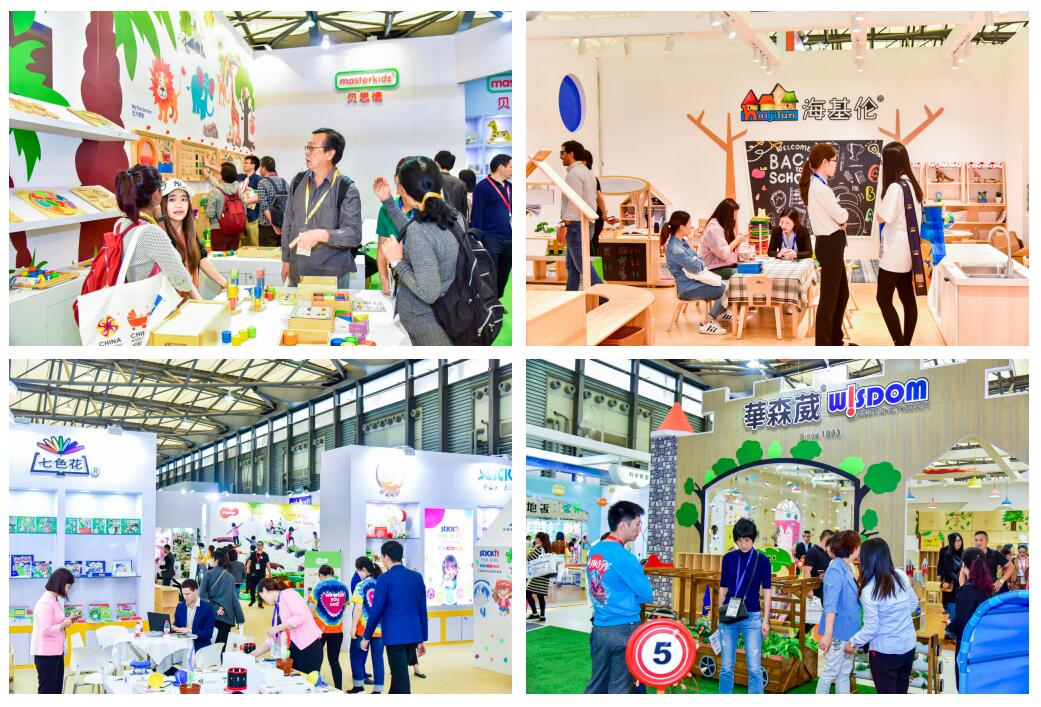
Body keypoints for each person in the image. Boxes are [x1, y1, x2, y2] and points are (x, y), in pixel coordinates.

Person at [373, 156, 462, 345]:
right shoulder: (452, 216)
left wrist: (397, 261)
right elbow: (417, 233)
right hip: (450, 312)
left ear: (404, 190)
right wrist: (388, 202)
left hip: (426, 321)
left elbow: (428, 292)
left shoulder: (420, 230)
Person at [281, 128, 363, 287]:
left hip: (330, 277)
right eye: (307, 147)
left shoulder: (346, 188)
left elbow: (354, 234)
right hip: (297, 272)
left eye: (312, 148)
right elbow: (288, 222)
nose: (307, 152)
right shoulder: (298, 181)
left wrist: (322, 235)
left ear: (330, 154)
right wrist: (286, 260)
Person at [584, 501, 652, 694]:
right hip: (624, 628)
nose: (639, 529)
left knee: (597, 685)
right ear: (623, 525)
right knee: (621, 688)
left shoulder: (595, 550)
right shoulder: (625, 557)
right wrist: (628, 598)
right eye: (637, 524)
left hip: (600, 627)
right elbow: (646, 594)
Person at [113, 165, 201, 299]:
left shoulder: (121, 223)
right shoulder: (150, 232)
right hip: (149, 303)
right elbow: (182, 279)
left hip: (128, 298)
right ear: (156, 195)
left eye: (183, 199)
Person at [845, 538, 918, 693]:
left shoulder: (869, 589)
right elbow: (913, 603)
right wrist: (899, 620)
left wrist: (853, 642)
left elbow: (871, 629)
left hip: (885, 652)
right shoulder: (901, 575)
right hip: (908, 645)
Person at [360, 540, 428, 694]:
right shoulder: (417, 577)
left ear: (386, 557)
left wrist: (366, 637)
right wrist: (421, 639)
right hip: (413, 636)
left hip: (395, 637)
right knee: (397, 678)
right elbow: (422, 610)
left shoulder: (384, 579)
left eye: (382, 557)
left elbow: (376, 611)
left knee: (401, 682)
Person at [800, 142, 851, 346]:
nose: (836, 164)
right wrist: (844, 215)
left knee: (841, 294)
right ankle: (825, 344)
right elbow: (841, 215)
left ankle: (835, 340)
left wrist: (841, 218)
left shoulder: (818, 185)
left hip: (830, 245)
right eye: (834, 161)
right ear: (824, 162)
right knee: (830, 298)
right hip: (830, 245)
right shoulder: (820, 188)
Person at [875, 141, 924, 346]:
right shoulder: (912, 185)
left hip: (894, 253)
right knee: (907, 298)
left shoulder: (895, 188)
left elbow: (881, 217)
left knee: (883, 299)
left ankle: (900, 344)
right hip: (908, 250)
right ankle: (906, 344)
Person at [718, 518, 773, 694]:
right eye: (740, 540)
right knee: (726, 666)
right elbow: (723, 587)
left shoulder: (762, 560)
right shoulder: (728, 558)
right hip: (729, 616)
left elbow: (767, 591)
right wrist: (720, 613)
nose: (743, 544)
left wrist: (766, 620)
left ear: (753, 539)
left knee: (755, 668)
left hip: (752, 617)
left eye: (747, 540)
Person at [662, 210, 729, 335]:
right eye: (689, 223)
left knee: (728, 284)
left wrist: (698, 261)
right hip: (688, 289)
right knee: (728, 289)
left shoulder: (683, 241)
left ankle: (720, 312)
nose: (691, 226)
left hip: (695, 282)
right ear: (681, 227)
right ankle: (707, 322)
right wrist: (699, 262)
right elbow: (697, 266)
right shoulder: (675, 249)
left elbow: (698, 258)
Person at [158, 178, 227, 292]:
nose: (179, 205)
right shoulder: (161, 235)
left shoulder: (189, 231)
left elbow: (201, 257)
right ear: (163, 203)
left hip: (190, 297)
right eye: (172, 199)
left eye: (183, 199)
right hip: (172, 300)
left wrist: (224, 284)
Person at [816, 530, 862, 694]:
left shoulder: (848, 567)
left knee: (844, 672)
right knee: (830, 671)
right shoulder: (835, 568)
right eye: (858, 545)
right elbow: (830, 605)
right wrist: (828, 634)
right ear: (853, 547)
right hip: (838, 630)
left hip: (850, 630)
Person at [255, 577, 324, 674]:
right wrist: (251, 655)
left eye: (261, 597)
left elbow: (300, 616)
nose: (263, 601)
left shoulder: (288, 594)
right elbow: (275, 638)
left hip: (308, 649)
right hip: (294, 652)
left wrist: (277, 628)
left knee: (307, 681)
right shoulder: (278, 606)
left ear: (264, 590)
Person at [559, 140, 602, 290]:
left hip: (576, 224)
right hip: (586, 222)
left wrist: (565, 224)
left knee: (582, 264)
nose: (560, 156)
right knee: (572, 264)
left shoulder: (574, 174)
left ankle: (603, 295)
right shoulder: (588, 173)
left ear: (571, 154)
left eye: (562, 153)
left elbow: (574, 201)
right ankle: (570, 294)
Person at [948, 547, 993, 691]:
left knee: (964, 682)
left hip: (967, 645)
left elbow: (961, 622)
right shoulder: (987, 587)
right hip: (982, 642)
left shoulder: (967, 589)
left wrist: (949, 626)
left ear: (964, 565)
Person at [469, 153, 513, 298]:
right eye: (511, 166)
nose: (513, 170)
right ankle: (488, 302)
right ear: (500, 167)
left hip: (510, 237)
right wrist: (477, 238)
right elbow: (477, 213)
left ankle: (496, 301)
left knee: (504, 274)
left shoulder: (510, 187)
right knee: (489, 273)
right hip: (491, 237)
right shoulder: (482, 186)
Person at [32, 568, 75, 694]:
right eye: (68, 587)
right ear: (61, 583)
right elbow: (45, 630)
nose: (68, 590)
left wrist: (67, 620)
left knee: (56, 690)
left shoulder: (54, 599)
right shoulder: (46, 603)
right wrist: (63, 625)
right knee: (48, 691)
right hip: (46, 655)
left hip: (55, 652)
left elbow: (54, 620)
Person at [309, 564, 348, 691]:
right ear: (332, 574)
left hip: (319, 630)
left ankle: (315, 686)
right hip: (337, 630)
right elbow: (344, 606)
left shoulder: (318, 587)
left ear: (320, 575)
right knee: (334, 661)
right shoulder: (343, 587)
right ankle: (339, 689)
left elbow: (311, 610)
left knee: (315, 660)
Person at [349, 557, 385, 694]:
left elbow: (358, 608)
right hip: (379, 629)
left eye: (358, 570)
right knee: (378, 660)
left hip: (362, 630)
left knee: (355, 656)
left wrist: (353, 628)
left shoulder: (361, 585)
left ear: (364, 569)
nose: (357, 573)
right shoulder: (381, 584)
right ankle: (378, 691)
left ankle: (359, 687)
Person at [199, 547, 244, 653]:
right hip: (227, 616)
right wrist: (240, 617)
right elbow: (234, 598)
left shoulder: (207, 574)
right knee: (222, 647)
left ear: (216, 560)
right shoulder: (230, 577)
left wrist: (215, 608)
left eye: (211, 558)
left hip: (210, 614)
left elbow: (202, 596)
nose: (209, 560)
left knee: (208, 646)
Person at [204, 162, 251, 252]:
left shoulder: (215, 191)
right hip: (235, 229)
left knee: (219, 258)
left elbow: (210, 214)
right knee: (232, 257)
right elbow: (244, 210)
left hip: (219, 230)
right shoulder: (238, 190)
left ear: (222, 176)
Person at [697, 198, 747, 280]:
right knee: (746, 274)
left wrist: (738, 242)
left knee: (753, 270)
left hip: (728, 266)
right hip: (714, 269)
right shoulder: (713, 228)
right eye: (734, 215)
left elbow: (733, 252)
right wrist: (737, 241)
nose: (734, 218)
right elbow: (723, 254)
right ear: (726, 214)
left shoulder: (726, 226)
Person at [173, 579, 216, 651]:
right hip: (182, 646)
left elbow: (207, 634)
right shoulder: (180, 606)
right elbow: (177, 625)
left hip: (200, 648)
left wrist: (189, 631)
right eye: (183, 594)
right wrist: (173, 627)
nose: (185, 597)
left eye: (187, 594)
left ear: (196, 591)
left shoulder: (208, 609)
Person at [579, 148, 607, 256]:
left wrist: (604, 213)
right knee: (591, 244)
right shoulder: (589, 176)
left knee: (591, 245)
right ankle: (590, 266)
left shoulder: (589, 177)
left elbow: (599, 197)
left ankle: (593, 267)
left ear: (584, 162)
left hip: (593, 216)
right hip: (593, 216)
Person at [257, 156, 289, 248]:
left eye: (260, 167)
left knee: (266, 254)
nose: (260, 169)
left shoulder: (262, 182)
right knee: (280, 253)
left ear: (264, 168)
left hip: (267, 226)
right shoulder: (284, 181)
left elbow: (264, 207)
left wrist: (274, 226)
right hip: (283, 224)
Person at [937, 532, 964, 641]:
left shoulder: (962, 554)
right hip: (951, 586)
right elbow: (949, 572)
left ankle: (949, 631)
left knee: (957, 611)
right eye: (956, 541)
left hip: (960, 587)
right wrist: (960, 581)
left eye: (960, 540)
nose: (959, 543)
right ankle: (953, 635)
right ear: (951, 542)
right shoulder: (948, 554)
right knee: (953, 611)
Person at [434, 150, 470, 223]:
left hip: (438, 223)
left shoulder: (433, 180)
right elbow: (464, 210)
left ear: (436, 163)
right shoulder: (461, 183)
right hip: (456, 222)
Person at [526, 531, 552, 622]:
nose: (535, 539)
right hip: (545, 575)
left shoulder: (538, 548)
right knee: (540, 596)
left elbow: (530, 559)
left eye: (536, 538)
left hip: (538, 575)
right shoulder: (547, 548)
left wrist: (532, 549)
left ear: (539, 539)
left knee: (527, 593)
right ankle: (542, 615)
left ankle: (535, 613)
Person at [241, 154, 262, 247]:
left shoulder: (259, 179)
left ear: (253, 165)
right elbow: (225, 172)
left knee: (254, 243)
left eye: (246, 163)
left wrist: (247, 201)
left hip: (253, 216)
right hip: (241, 215)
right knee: (244, 244)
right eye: (244, 163)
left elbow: (261, 197)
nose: (244, 165)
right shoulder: (242, 177)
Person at [246, 540, 271, 608]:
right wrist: (247, 568)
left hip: (261, 574)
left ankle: (260, 603)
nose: (258, 546)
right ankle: (252, 600)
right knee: (252, 588)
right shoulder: (253, 554)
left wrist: (270, 573)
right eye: (257, 545)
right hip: (253, 574)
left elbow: (268, 564)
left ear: (262, 546)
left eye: (260, 545)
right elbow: (249, 562)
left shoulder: (265, 555)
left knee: (261, 589)